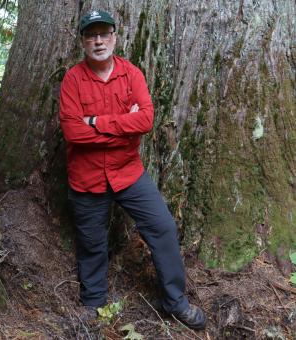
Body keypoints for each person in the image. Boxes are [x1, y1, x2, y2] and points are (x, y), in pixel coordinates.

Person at [58, 10, 207, 330]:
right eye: (91, 35)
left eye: (104, 33)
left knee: (163, 228)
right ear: (83, 41)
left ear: (114, 36)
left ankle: (175, 300)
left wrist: (96, 123)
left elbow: (146, 120)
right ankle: (94, 304)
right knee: (92, 243)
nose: (98, 40)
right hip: (87, 178)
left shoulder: (132, 75)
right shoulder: (73, 79)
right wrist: (123, 126)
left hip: (128, 172)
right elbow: (73, 133)